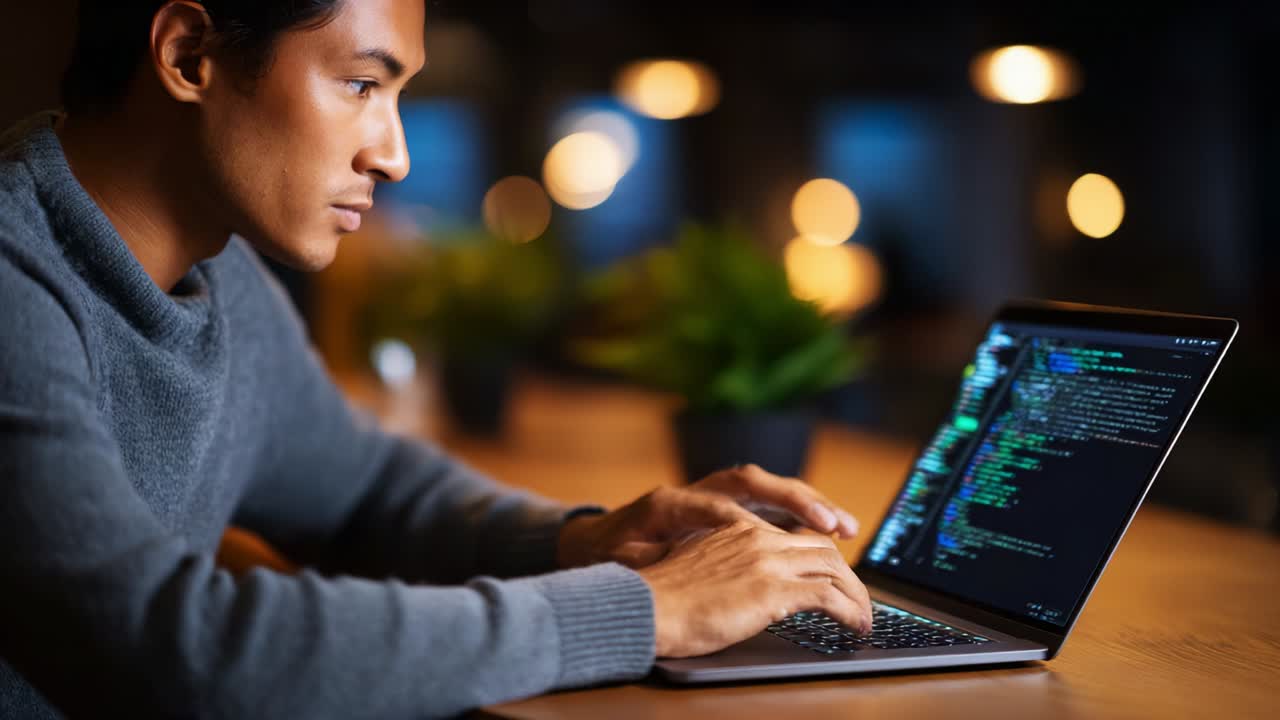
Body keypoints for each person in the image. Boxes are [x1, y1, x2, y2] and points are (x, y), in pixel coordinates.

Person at [0, 1, 872, 717]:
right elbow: (171, 650)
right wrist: (644, 610)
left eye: (396, 94)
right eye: (360, 84)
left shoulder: (221, 277)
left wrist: (584, 540)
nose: (394, 156)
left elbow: (366, 492)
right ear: (189, 55)